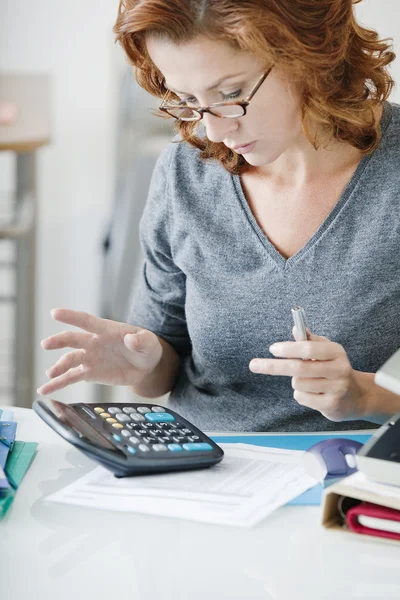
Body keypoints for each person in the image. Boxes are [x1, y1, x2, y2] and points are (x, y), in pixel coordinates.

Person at [38, 0, 400, 432]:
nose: (213, 131)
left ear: (310, 56)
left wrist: (365, 395)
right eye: (189, 99)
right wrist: (144, 363)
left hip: (357, 481)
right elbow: (164, 370)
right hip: (205, 469)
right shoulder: (185, 171)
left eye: (231, 94)